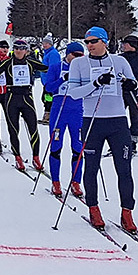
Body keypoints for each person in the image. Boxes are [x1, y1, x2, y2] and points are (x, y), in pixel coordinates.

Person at [64, 26, 138, 232]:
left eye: (93, 41)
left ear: (104, 41)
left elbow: (137, 86)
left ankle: (127, 212)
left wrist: (132, 85)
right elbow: (74, 93)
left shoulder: (119, 61)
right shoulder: (79, 63)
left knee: (124, 169)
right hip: (92, 121)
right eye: (87, 42)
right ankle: (94, 209)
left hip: (117, 122)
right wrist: (96, 83)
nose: (89, 46)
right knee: (91, 167)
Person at [0, 38, 48, 170]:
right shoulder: (7, 62)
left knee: (33, 128)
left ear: (26, 50)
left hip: (27, 97)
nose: (19, 51)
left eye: (22, 48)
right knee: (13, 128)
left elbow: (46, 68)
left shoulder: (30, 61)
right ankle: (17, 157)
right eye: (16, 48)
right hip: (12, 97)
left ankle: (36, 157)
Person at [45, 41, 85, 197]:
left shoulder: (83, 69)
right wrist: (64, 79)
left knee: (78, 147)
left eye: (81, 55)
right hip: (59, 111)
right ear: (68, 53)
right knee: (56, 146)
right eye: (75, 54)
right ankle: (56, 181)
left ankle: (76, 182)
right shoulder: (56, 67)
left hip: (77, 112)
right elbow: (49, 88)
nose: (77, 58)